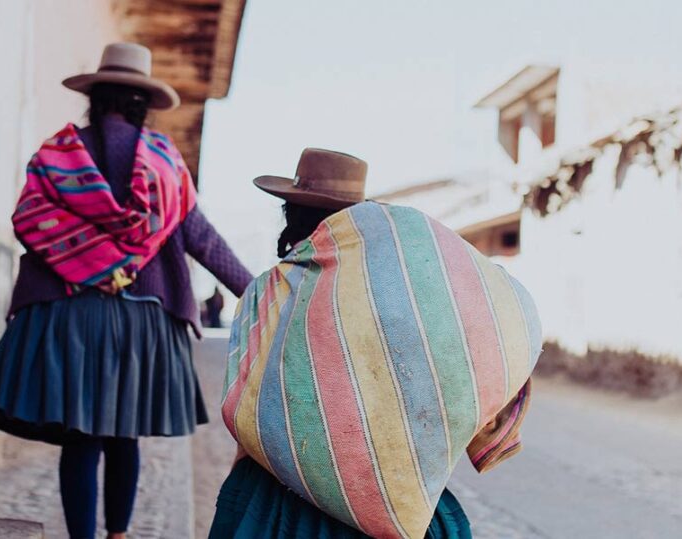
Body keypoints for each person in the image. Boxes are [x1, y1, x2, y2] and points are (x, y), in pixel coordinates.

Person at [0, 43, 253, 539]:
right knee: (123, 436)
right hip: (144, 322)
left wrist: (85, 257)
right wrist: (258, 289)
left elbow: (29, 220)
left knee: (81, 438)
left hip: (71, 313)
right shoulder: (165, 165)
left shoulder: (58, 154)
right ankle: (118, 535)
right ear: (142, 103)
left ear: (95, 98)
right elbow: (202, 238)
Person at [210, 149, 542, 538]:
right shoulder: (399, 297)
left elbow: (252, 413)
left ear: (290, 215)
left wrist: (238, 494)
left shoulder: (270, 291)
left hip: (274, 498)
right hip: (388, 498)